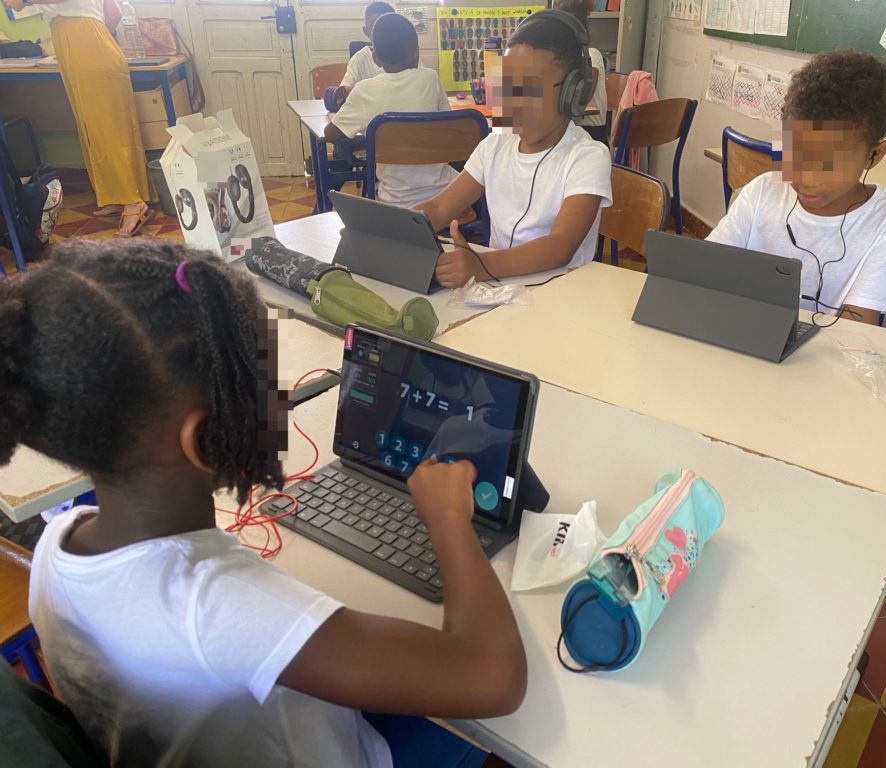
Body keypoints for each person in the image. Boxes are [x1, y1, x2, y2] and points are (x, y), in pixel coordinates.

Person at [1, 240, 527, 766]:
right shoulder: (223, 608)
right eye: (258, 383)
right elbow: (493, 679)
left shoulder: (56, 546)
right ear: (201, 438)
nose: (279, 397)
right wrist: (448, 520)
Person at [706, 50, 886, 325]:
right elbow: (707, 270)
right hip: (745, 333)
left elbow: (856, 327)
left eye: (829, 164)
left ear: (874, 155)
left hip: (826, 349)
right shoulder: (762, 191)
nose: (806, 178)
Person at [416, 9, 612, 288]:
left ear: (572, 92)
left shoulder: (588, 157)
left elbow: (560, 246)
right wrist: (391, 228)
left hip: (562, 298)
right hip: (500, 293)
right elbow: (440, 207)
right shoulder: (495, 145)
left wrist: (481, 265)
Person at [0, 0, 151, 236]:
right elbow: (114, 12)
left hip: (81, 39)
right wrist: (95, 33)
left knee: (104, 127)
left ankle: (132, 202)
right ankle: (120, 195)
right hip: (90, 38)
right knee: (96, 126)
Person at [325, 14, 458, 208]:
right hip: (444, 197)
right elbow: (449, 126)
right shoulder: (431, 79)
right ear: (416, 53)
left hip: (394, 203)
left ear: (376, 59)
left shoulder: (364, 90)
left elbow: (330, 134)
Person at [556, 0, 608, 145]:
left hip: (592, 134)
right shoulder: (561, 59)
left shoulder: (592, 55)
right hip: (569, 131)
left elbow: (581, 100)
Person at [332, 2, 396, 108]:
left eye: (388, 26)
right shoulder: (359, 59)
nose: (382, 32)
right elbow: (343, 96)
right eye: (375, 26)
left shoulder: (408, 57)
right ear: (365, 31)